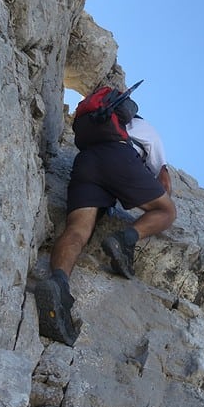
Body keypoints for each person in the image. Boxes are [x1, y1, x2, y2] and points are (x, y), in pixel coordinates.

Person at [35, 97, 176, 346]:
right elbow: (164, 181)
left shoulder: (102, 124)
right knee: (166, 211)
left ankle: (58, 283)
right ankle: (125, 240)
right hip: (119, 156)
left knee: (77, 230)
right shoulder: (150, 133)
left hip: (86, 162)